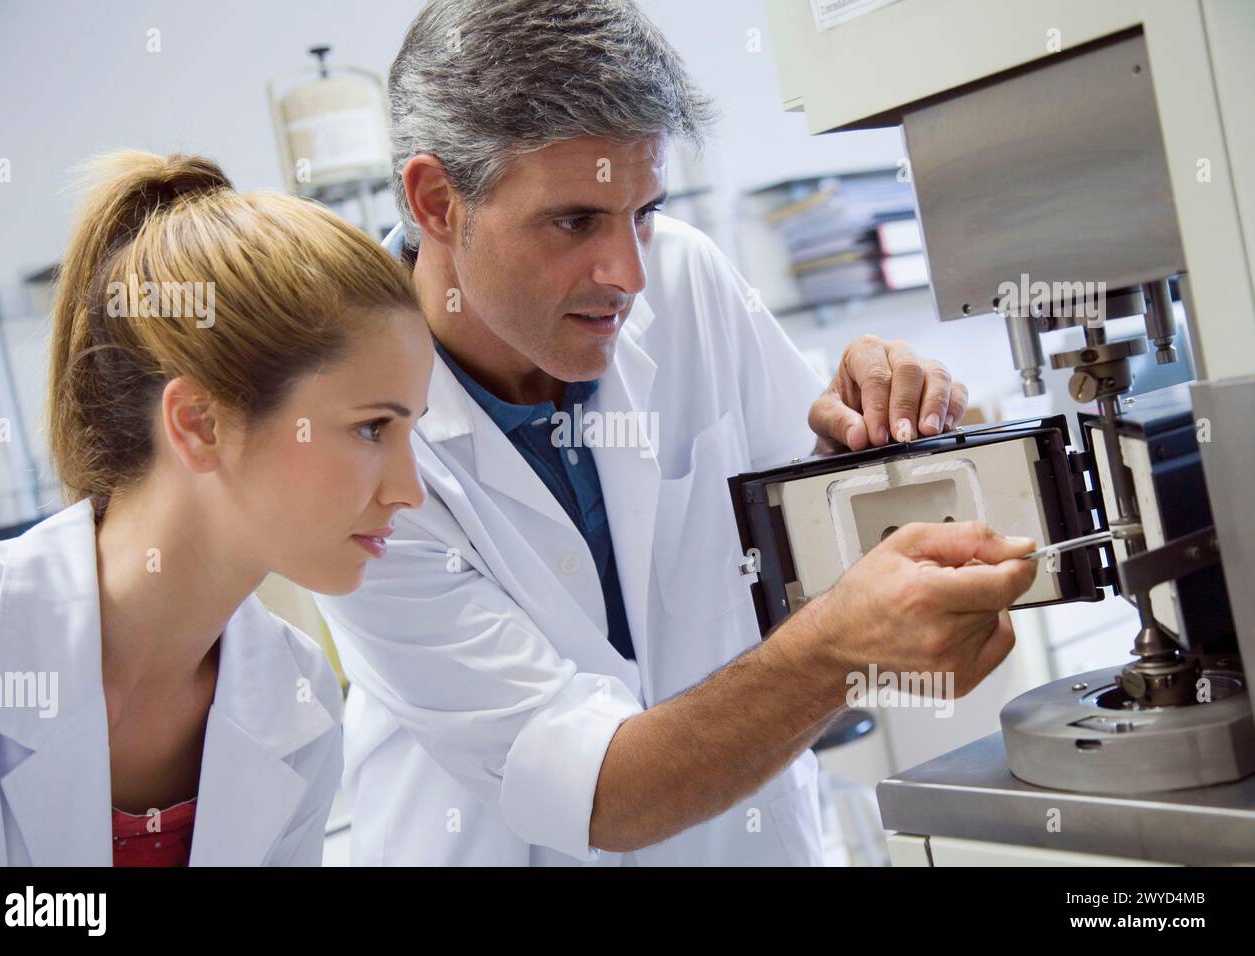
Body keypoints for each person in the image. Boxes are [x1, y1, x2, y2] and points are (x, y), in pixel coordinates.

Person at [316, 0, 1038, 865]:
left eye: (646, 211)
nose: (627, 273)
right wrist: (840, 652)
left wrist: (873, 433)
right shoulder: (342, 432)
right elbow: (598, 792)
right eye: (575, 220)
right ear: (437, 200)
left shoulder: (687, 279)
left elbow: (808, 538)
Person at [0, 151, 432, 866]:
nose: (410, 490)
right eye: (371, 428)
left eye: (411, 431)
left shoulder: (299, 704)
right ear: (201, 425)